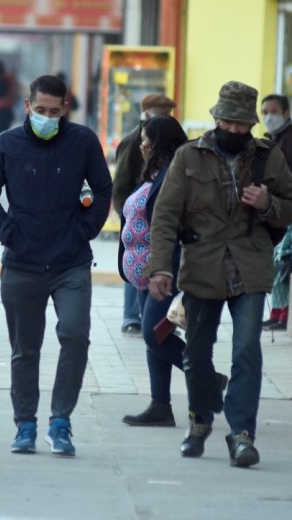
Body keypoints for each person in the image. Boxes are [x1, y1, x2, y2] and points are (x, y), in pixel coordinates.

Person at [144, 81, 292, 467]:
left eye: (241, 123)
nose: (234, 129)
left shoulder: (268, 157)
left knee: (247, 349)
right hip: (202, 266)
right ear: (216, 118)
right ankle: (199, 422)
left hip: (250, 267)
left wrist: (267, 203)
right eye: (228, 122)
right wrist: (160, 267)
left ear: (251, 124)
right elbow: (165, 216)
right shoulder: (188, 157)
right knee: (197, 351)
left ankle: (242, 434)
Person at [0, 74, 113, 457]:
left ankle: (60, 422)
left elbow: (103, 190)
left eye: (54, 111)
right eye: (40, 110)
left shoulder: (83, 141)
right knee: (25, 349)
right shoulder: (6, 144)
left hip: (71, 263)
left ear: (65, 108)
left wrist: (84, 230)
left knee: (75, 336)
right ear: (27, 106)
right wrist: (7, 232)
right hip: (22, 263)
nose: (47, 117)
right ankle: (26, 425)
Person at [118, 115, 229, 427]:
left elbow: (175, 221)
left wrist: (162, 267)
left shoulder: (176, 172)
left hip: (166, 269)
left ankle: (208, 379)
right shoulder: (155, 171)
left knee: (154, 334)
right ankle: (160, 405)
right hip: (146, 272)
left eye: (146, 141)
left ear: (160, 143)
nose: (142, 145)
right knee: (154, 337)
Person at [113, 94, 178, 335]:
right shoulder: (134, 142)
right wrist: (129, 216)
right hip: (136, 224)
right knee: (135, 275)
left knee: (154, 331)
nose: (166, 116)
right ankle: (131, 316)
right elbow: (121, 183)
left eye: (168, 113)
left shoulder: (171, 148)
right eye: (162, 112)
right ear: (148, 112)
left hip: (154, 237)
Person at [261, 94, 292, 331]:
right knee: (277, 262)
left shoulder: (291, 139)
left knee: (283, 261)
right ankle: (276, 312)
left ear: (286, 113)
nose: (268, 117)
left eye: (273, 112)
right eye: (264, 112)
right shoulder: (273, 140)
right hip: (275, 208)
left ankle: (283, 314)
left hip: (287, 209)